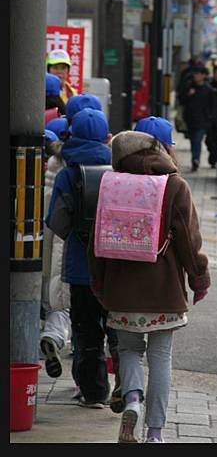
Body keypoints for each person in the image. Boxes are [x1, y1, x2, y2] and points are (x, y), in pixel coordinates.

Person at [87, 117, 211, 443]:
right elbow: (188, 240)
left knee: (128, 351)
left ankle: (131, 400)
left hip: (121, 291)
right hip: (164, 293)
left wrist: (99, 284)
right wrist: (199, 279)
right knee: (160, 358)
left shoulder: (111, 182)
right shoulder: (175, 185)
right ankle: (155, 433)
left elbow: (95, 241)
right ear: (164, 148)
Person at [46, 108, 118, 407]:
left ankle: (93, 392)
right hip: (115, 266)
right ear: (105, 137)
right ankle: (126, 386)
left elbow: (57, 221)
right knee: (116, 331)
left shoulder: (66, 173)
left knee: (86, 333)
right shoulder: (119, 171)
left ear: (72, 134)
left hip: (79, 268)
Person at [40, 126, 71, 379]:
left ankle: (46, 336)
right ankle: (54, 335)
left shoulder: (50, 167)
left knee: (48, 296)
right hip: (70, 245)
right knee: (64, 301)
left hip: (41, 240)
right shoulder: (83, 169)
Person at [178, 64, 216, 172]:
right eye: (195, 74)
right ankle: (194, 159)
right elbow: (181, 101)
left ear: (203, 75)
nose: (196, 76)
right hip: (190, 120)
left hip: (202, 121)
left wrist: (209, 118)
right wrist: (188, 95)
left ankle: (196, 160)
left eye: (198, 74)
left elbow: (213, 106)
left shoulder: (208, 90)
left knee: (197, 140)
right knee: (192, 141)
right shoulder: (189, 87)